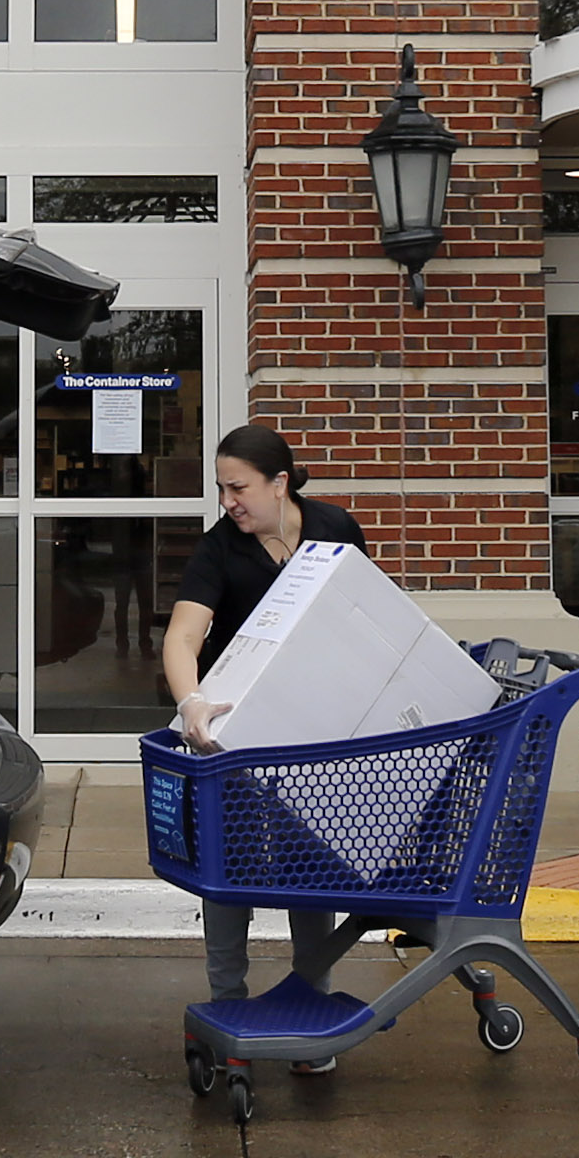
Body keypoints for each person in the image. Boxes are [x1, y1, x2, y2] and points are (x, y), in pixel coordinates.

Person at [165, 424, 369, 1038]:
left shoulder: (336, 529)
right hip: (235, 739)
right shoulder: (221, 548)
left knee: (311, 868)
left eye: (239, 488)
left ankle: (312, 1002)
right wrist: (192, 701)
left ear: (280, 484)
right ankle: (228, 1002)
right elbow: (182, 637)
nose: (228, 502)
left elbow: (371, 616)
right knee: (230, 868)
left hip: (319, 732)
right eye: (222, 489)